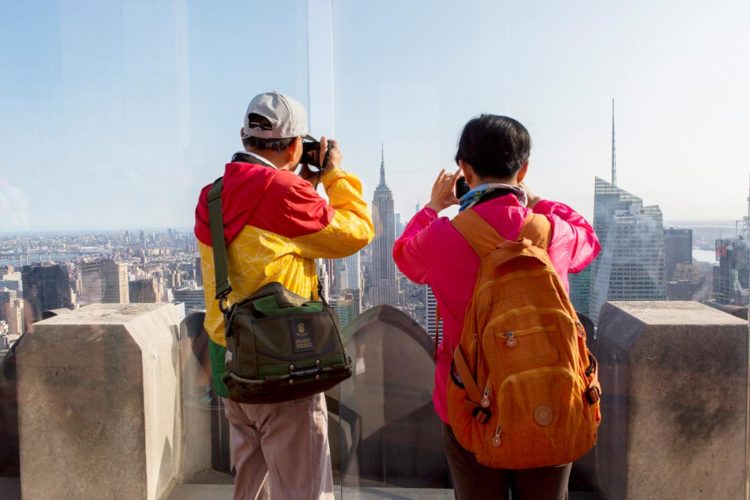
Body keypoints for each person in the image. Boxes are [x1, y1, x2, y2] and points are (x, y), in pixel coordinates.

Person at [393, 114, 601, 500]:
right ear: (523, 169)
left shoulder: (442, 237)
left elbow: (404, 255)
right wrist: (538, 200)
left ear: (464, 170)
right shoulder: (551, 231)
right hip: (550, 398)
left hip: (471, 405)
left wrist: (433, 207)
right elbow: (589, 238)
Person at [194, 91, 374, 500]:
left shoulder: (212, 195)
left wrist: (298, 184)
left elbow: (260, 234)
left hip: (231, 362)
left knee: (251, 483)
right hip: (282, 367)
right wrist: (333, 176)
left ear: (245, 137)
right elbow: (357, 231)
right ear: (295, 145)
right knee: (303, 489)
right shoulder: (284, 194)